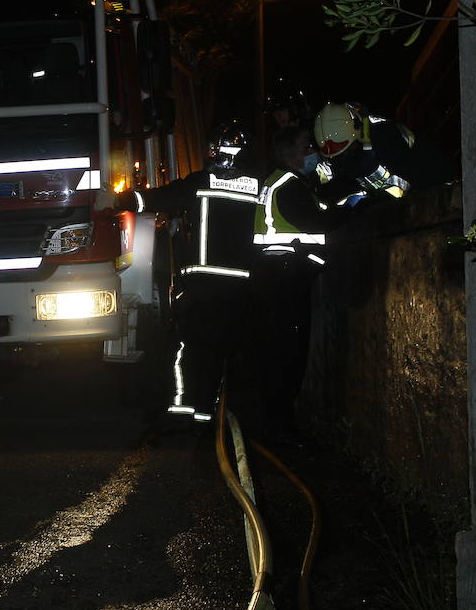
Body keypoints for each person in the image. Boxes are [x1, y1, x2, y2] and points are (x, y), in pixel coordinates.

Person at [116, 122, 261, 423]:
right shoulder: (259, 187)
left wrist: (117, 199)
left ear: (212, 152)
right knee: (228, 347)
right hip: (242, 285)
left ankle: (187, 409)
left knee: (190, 346)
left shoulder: (201, 182)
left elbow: (155, 200)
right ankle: (216, 411)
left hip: (203, 283)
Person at [249, 124, 349, 444]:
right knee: (288, 355)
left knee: (276, 352)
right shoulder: (290, 186)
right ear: (292, 155)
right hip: (285, 278)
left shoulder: (276, 182)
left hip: (275, 276)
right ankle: (279, 428)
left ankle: (274, 422)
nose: (314, 152)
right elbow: (317, 223)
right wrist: (354, 205)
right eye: (308, 147)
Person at [311, 102, 453, 208]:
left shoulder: (385, 135)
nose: (346, 157)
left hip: (432, 191)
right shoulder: (334, 158)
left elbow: (404, 183)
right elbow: (329, 191)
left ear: (358, 131)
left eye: (350, 150)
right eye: (339, 156)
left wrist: (376, 199)